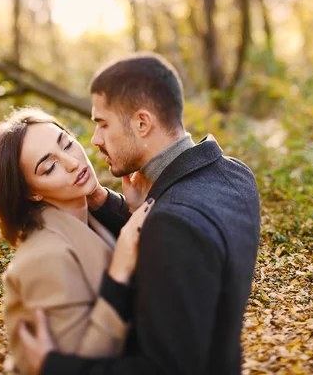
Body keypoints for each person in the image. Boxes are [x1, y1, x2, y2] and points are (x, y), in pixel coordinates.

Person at [17, 53, 261, 375]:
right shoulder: (234, 175)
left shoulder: (174, 223)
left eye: (102, 124)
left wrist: (54, 366)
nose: (95, 140)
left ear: (142, 123)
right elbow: (176, 262)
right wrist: (112, 203)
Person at [0, 108, 153, 374]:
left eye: (67, 144)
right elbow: (78, 364)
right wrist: (118, 274)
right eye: (50, 167)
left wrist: (124, 206)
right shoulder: (45, 257)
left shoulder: (87, 217)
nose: (72, 162)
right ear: (32, 193)